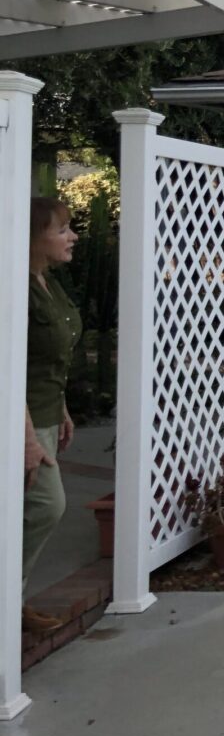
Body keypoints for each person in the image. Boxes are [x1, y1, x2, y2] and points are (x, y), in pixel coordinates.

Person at [22, 196, 79, 634]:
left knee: (36, 507)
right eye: (61, 230)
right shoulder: (15, 288)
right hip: (21, 420)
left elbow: (46, 355)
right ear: (34, 237)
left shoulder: (48, 283)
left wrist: (61, 408)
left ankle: (12, 601)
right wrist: (25, 439)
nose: (72, 236)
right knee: (46, 505)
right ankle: (9, 598)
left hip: (44, 411)